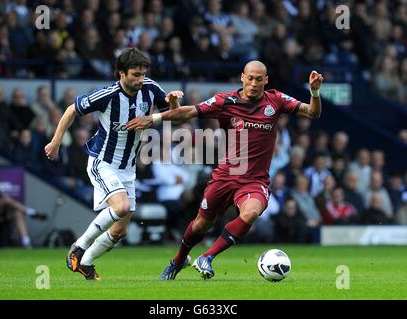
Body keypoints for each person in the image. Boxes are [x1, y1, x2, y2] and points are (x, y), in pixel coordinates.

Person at [125, 60, 324, 280]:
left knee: (251, 213)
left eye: (259, 79)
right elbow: (187, 112)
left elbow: (312, 113)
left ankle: (207, 257)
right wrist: (153, 118)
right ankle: (178, 259)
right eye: (250, 78)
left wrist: (314, 91)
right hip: (225, 176)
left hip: (254, 180)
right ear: (242, 77)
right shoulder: (224, 101)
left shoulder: (276, 100)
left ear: (266, 80)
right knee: (201, 225)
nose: (254, 83)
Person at [45, 48, 183, 280]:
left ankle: (85, 263)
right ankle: (78, 247)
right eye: (135, 74)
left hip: (128, 168)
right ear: (121, 73)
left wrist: (174, 103)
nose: (140, 79)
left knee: (120, 230)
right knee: (120, 207)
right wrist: (56, 141)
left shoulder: (150, 88)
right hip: (103, 162)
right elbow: (71, 110)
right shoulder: (107, 95)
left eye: (142, 74)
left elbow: (176, 117)